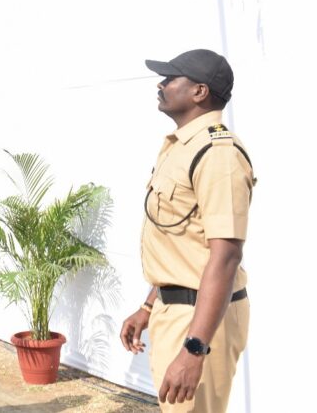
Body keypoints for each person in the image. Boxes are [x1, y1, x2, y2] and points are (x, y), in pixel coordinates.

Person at [120, 50, 254, 411]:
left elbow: (226, 256)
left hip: (199, 320)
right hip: (176, 311)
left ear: (199, 91)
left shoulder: (218, 153)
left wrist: (195, 349)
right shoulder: (181, 147)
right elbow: (182, 241)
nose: (161, 85)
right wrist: (149, 305)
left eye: (170, 78)